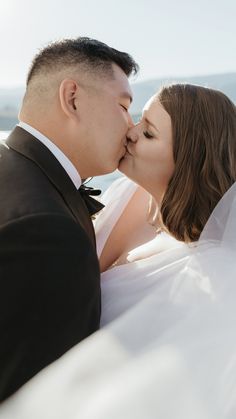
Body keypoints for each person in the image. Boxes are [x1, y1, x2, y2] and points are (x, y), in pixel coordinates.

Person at [0, 83, 236, 419]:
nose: (131, 132)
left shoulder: (214, 279)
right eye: (139, 120)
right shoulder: (131, 196)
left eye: (149, 133)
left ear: (188, 161)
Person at [0, 36, 138, 401]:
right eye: (124, 106)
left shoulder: (13, 170)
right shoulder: (47, 231)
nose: (131, 127)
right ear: (72, 98)